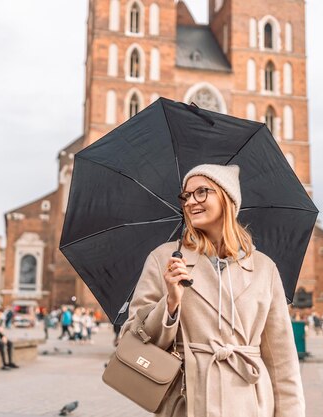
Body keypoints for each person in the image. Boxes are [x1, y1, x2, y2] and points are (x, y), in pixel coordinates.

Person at [121, 164, 305, 417]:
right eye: (186, 195)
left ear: (227, 198)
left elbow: (282, 360)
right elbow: (132, 337)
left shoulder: (264, 268)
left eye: (201, 192)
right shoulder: (164, 258)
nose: (190, 202)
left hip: (251, 403)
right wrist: (171, 302)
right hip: (188, 400)